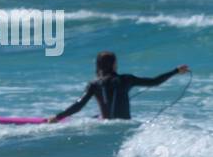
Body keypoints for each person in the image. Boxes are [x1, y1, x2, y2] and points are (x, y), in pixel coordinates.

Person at [50, 51, 189, 122]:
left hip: (106, 126)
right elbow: (154, 81)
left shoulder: (94, 84)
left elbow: (78, 106)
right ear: (114, 64)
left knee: (97, 117)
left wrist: (58, 117)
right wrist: (175, 71)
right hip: (125, 125)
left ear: (98, 66)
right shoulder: (126, 79)